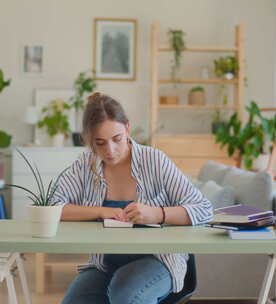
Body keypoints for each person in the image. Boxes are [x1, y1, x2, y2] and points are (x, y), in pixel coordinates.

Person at [52, 92, 213, 304]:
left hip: (158, 259)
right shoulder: (86, 164)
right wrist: (101, 211)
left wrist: (157, 214)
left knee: (126, 295)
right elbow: (54, 206)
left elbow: (204, 209)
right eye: (100, 143)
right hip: (105, 264)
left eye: (117, 139)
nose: (110, 151)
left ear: (127, 128)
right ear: (90, 140)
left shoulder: (154, 160)